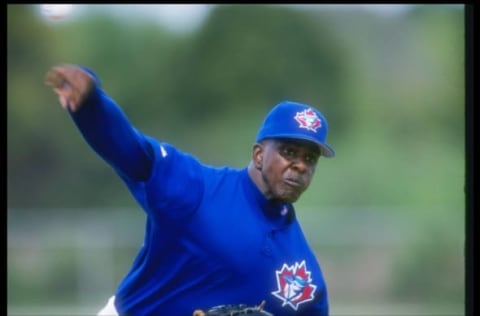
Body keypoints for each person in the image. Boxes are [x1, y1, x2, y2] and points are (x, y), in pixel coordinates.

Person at [45, 64, 335, 316]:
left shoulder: (304, 275)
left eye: (310, 158)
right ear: (259, 155)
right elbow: (131, 151)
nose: (299, 165)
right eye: (289, 151)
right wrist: (91, 104)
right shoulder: (198, 190)